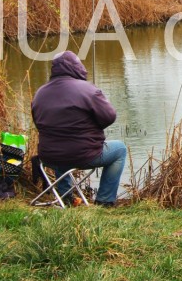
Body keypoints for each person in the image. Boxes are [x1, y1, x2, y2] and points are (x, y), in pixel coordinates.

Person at [31, 50, 127, 206]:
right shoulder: (88, 90)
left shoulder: (39, 93)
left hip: (48, 156)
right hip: (84, 155)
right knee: (120, 150)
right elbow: (109, 117)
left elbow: (38, 123)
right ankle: (105, 200)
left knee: (60, 146)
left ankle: (66, 197)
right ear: (77, 67)